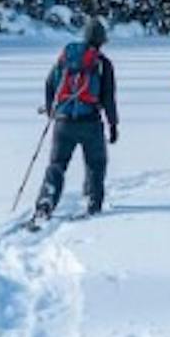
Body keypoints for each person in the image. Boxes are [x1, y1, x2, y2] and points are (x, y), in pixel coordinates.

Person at [36, 16, 119, 222]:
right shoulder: (102, 64)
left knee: (57, 164)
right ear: (101, 40)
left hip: (63, 122)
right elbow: (108, 97)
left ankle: (46, 201)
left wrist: (51, 111)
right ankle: (93, 202)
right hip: (90, 121)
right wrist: (113, 124)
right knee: (96, 163)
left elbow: (49, 84)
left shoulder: (65, 59)